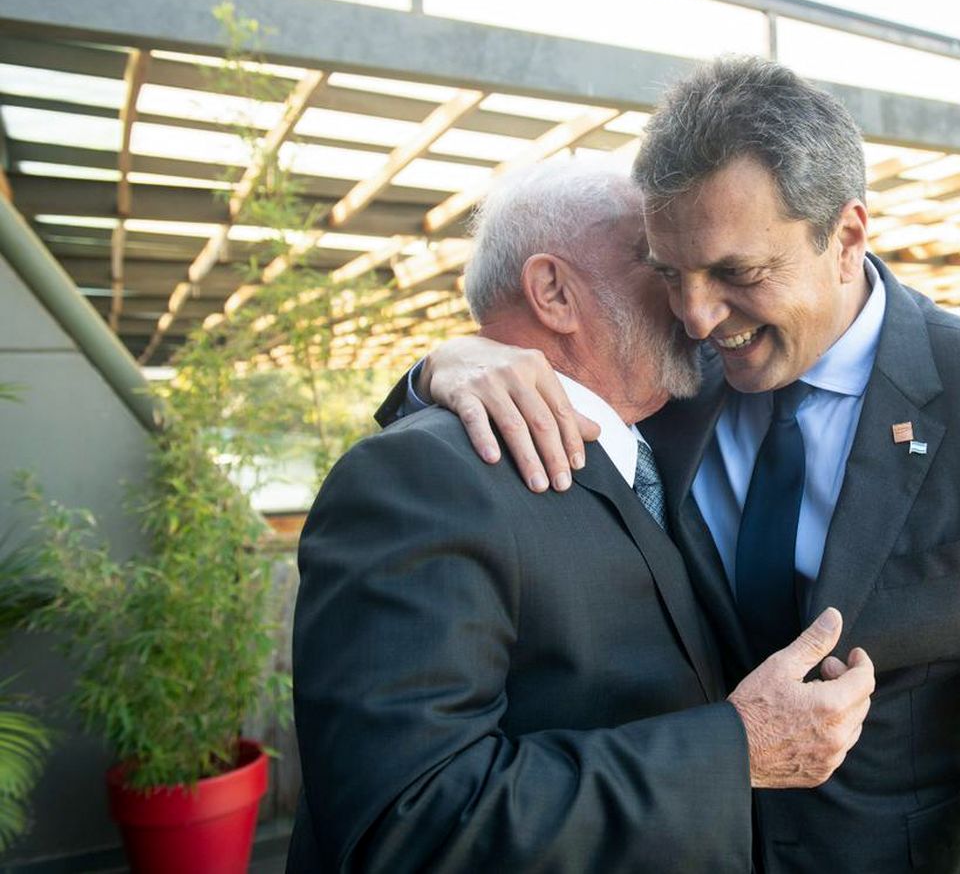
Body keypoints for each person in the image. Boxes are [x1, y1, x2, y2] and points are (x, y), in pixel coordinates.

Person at [388, 56, 960, 873]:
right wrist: (437, 369)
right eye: (672, 274)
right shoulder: (668, 378)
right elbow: (534, 400)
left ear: (845, 239)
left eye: (738, 274)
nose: (698, 317)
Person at [291, 162, 876, 872]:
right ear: (553, 291)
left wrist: (434, 364)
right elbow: (406, 823)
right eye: (660, 265)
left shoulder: (668, 420)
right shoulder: (420, 478)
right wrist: (738, 747)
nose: (697, 308)